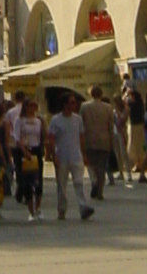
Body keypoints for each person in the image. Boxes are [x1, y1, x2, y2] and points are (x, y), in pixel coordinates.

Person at [46, 93, 95, 221]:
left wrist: (84, 155)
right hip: (62, 156)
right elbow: (51, 138)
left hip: (76, 156)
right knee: (62, 185)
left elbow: (81, 137)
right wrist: (53, 155)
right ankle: (62, 209)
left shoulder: (77, 119)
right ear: (65, 104)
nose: (74, 105)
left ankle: (83, 207)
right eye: (72, 102)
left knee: (79, 182)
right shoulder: (56, 120)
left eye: (74, 102)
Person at [81, 85, 116, 198]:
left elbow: (81, 125)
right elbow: (110, 126)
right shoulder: (108, 108)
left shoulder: (84, 107)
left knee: (91, 164)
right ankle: (100, 190)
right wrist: (111, 142)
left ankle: (94, 181)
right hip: (104, 140)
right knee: (101, 166)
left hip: (89, 139)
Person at [15, 98, 44, 219]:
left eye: (34, 106)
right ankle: (30, 209)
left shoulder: (39, 121)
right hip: (25, 150)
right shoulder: (20, 121)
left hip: (36, 150)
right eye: (30, 106)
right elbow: (17, 138)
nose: (32, 108)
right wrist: (24, 151)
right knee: (27, 181)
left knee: (38, 181)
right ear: (25, 107)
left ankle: (37, 208)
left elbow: (42, 136)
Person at [126, 84, 147, 183]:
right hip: (141, 125)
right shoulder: (140, 105)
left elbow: (124, 102)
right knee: (139, 145)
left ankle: (137, 165)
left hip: (134, 126)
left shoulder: (132, 104)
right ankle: (139, 164)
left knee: (135, 145)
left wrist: (126, 94)